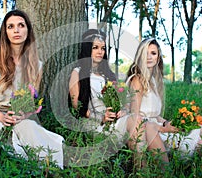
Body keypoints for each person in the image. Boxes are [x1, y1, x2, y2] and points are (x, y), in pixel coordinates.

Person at [0, 9, 64, 169]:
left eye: (21, 25)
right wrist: (1, 117)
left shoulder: (37, 65)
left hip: (16, 117)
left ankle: (54, 173)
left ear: (28, 30)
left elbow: (30, 102)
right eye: (10, 26)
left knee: (28, 129)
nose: (16, 30)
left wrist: (23, 114)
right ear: (5, 32)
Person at [68, 29, 168, 167]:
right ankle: (141, 170)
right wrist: (101, 117)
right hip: (94, 123)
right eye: (95, 48)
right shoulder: (77, 73)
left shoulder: (107, 74)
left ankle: (147, 166)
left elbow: (119, 102)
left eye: (102, 48)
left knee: (137, 120)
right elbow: (76, 106)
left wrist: (122, 110)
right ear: (87, 49)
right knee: (136, 120)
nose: (100, 52)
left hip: (113, 120)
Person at [125, 38, 202, 164]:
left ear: (158, 57)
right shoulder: (137, 80)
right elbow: (135, 117)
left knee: (197, 124)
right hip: (148, 131)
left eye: (153, 53)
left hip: (157, 125)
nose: (149, 57)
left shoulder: (153, 81)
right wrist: (163, 128)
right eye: (145, 53)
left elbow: (155, 115)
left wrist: (170, 123)